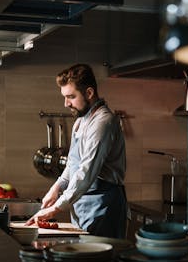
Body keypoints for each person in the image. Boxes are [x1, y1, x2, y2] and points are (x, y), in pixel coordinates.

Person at [25, 63, 127, 238]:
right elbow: (73, 164)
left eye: (71, 96)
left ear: (89, 93)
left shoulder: (103, 122)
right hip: (82, 204)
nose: (66, 104)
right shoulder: (81, 121)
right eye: (64, 97)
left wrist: (55, 209)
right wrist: (57, 187)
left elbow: (86, 172)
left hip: (103, 206)